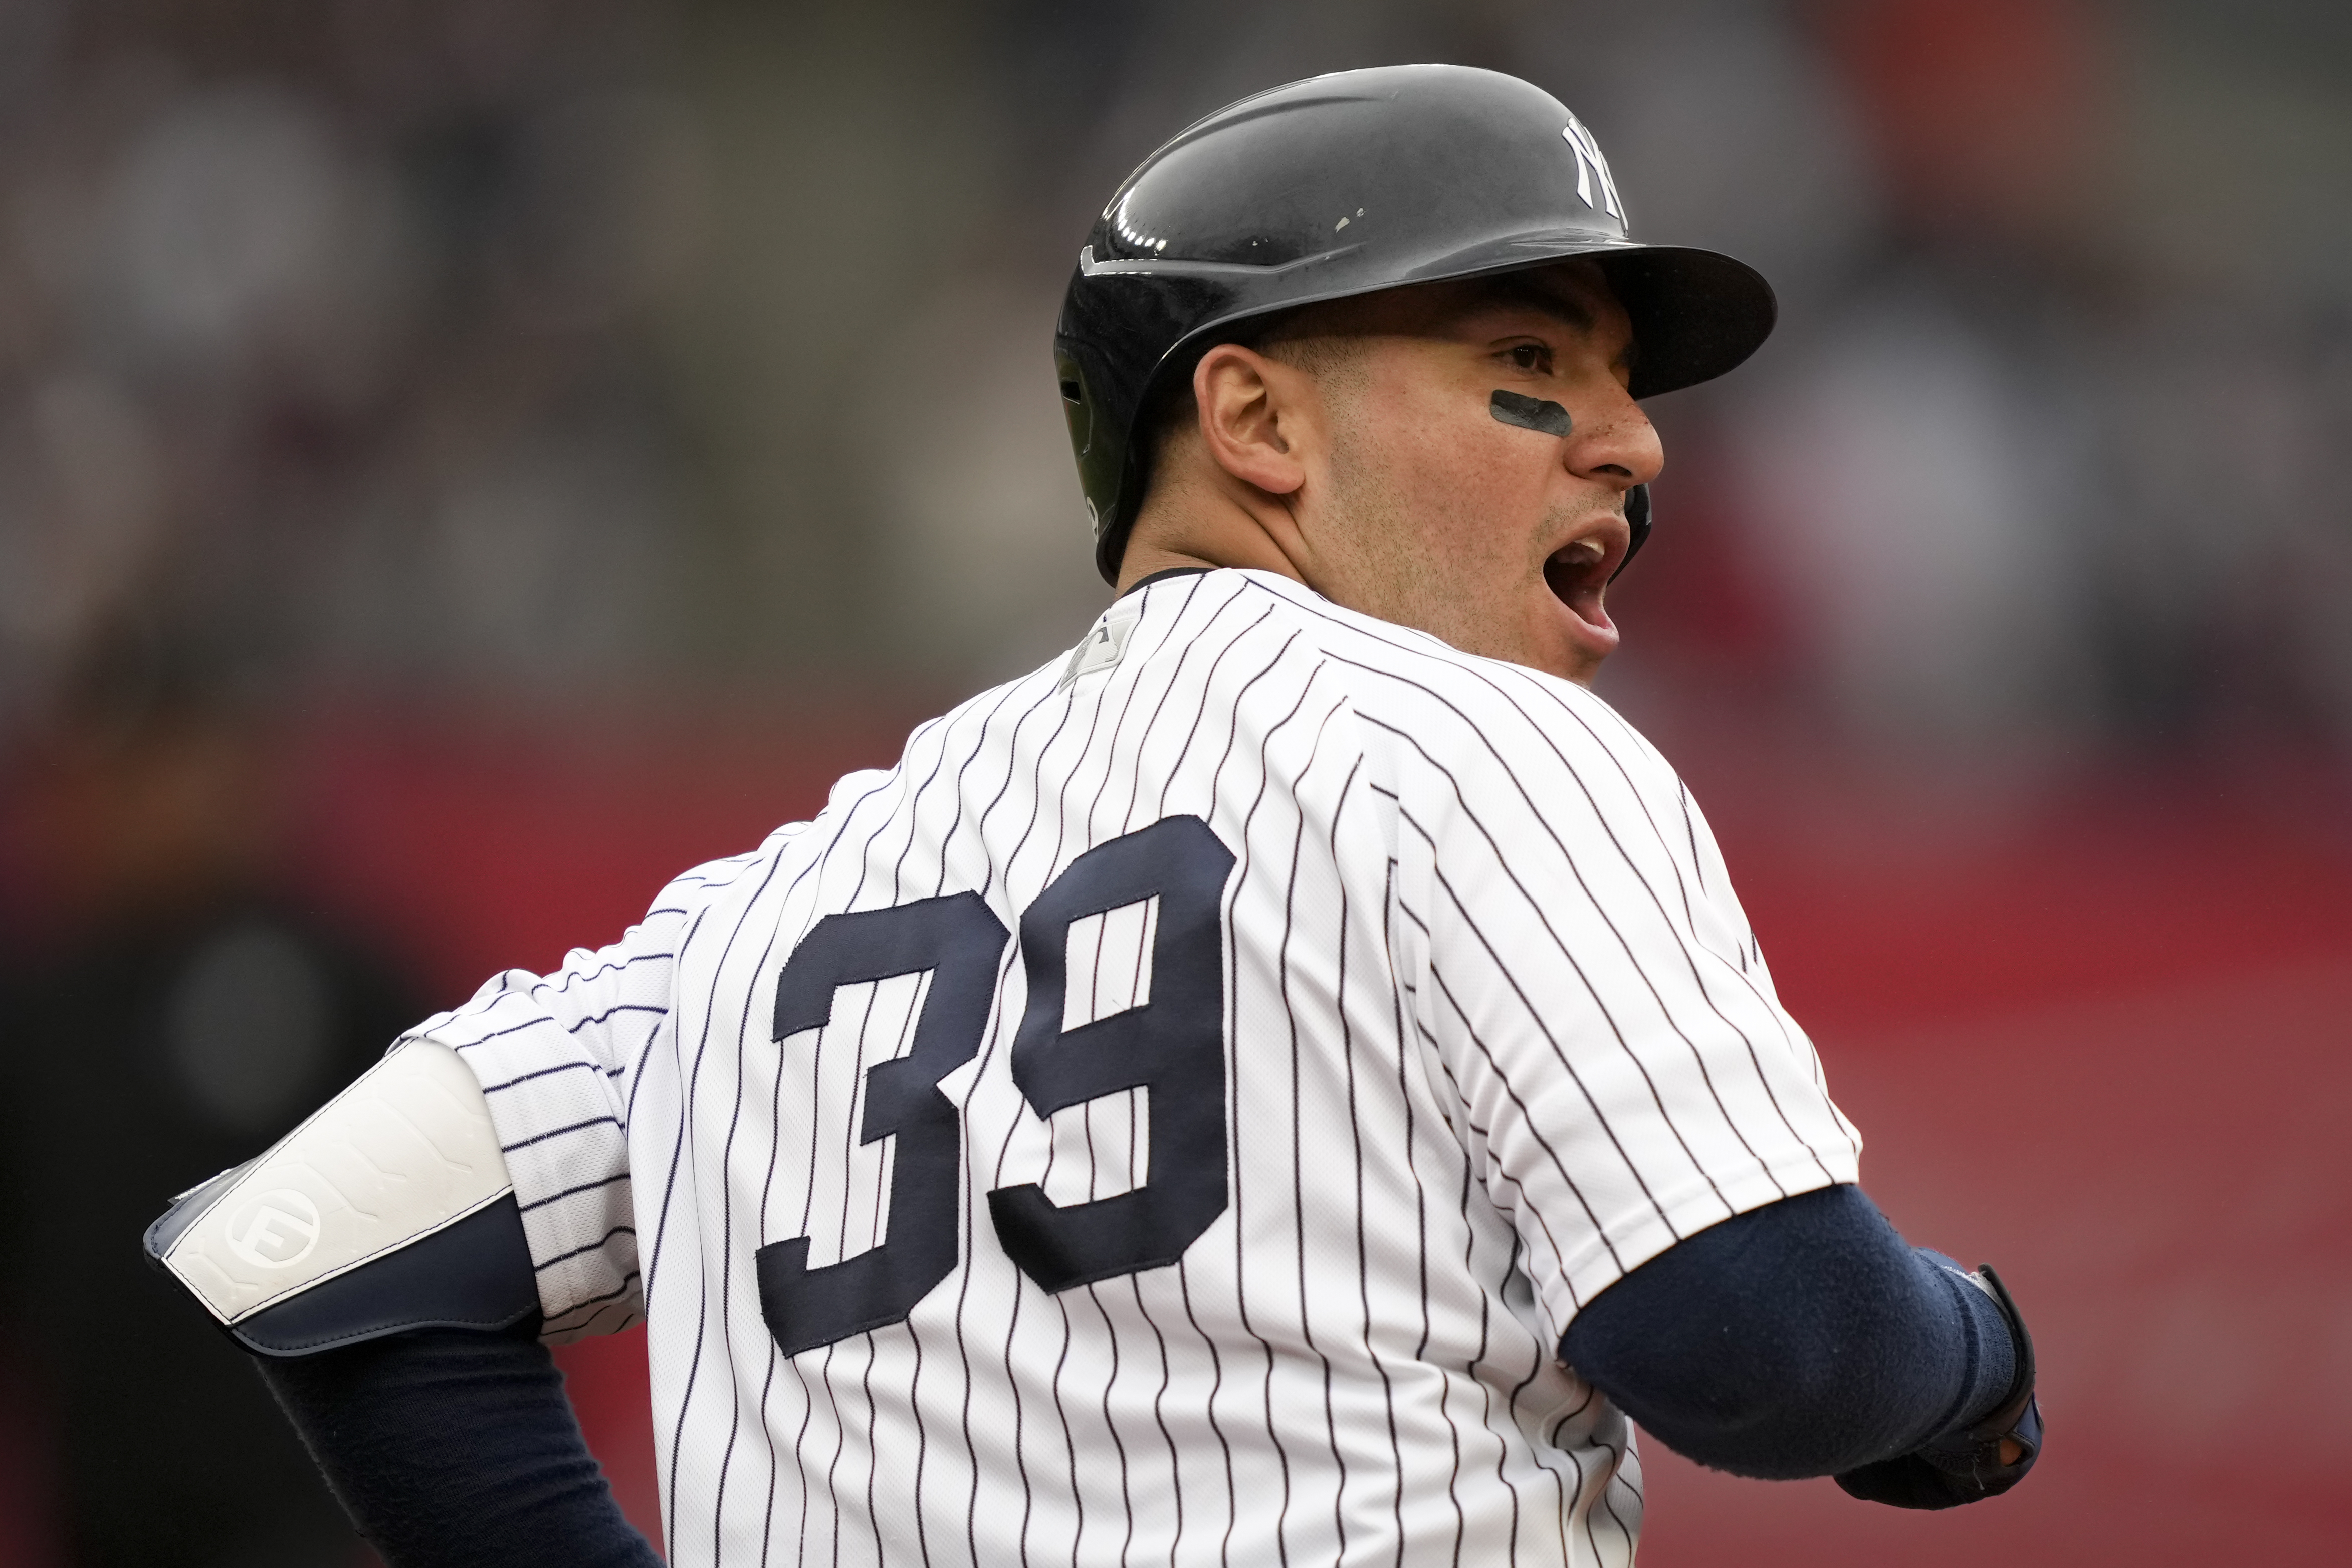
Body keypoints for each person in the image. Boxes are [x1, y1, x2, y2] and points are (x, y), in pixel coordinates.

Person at [147, 66, 2040, 1567]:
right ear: (1257, 422)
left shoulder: (766, 911)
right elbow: (1766, 1339)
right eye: (1525, 369)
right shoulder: (1465, 747)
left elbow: (315, 1240)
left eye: (1622, 388)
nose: (1630, 439)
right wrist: (1974, 1351)